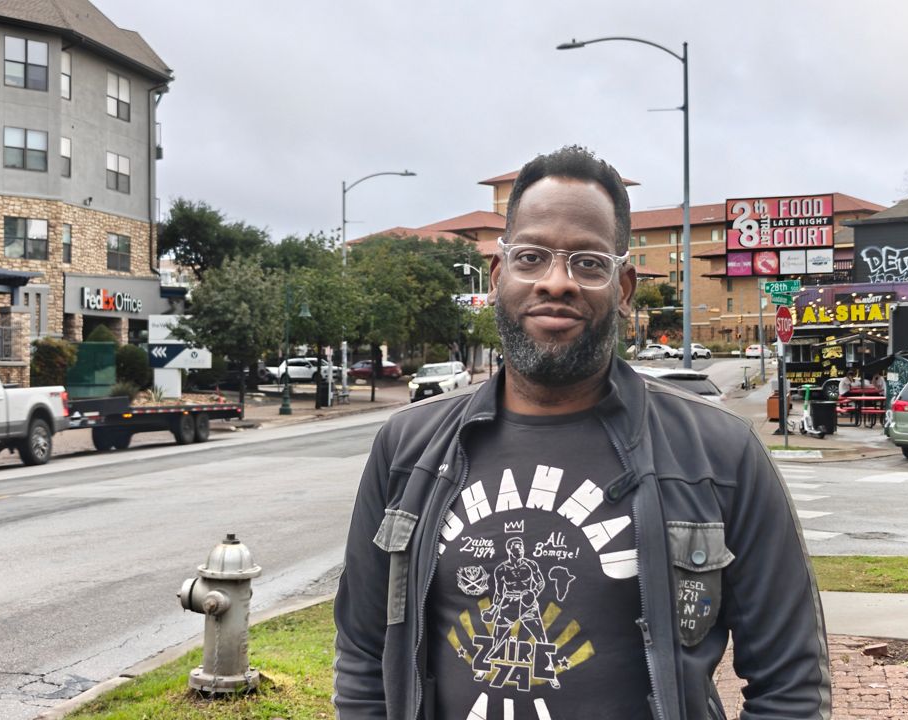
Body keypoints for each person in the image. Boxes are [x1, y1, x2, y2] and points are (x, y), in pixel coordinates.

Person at [333, 146, 830, 720]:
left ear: (622, 288)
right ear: (499, 277)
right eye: (532, 257)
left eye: (589, 262)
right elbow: (365, 657)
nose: (557, 282)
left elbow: (791, 685)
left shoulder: (719, 452)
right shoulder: (407, 449)